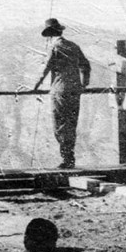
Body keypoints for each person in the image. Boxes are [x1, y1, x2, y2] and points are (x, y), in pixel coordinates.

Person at [32, 18, 90, 169]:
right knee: (71, 123)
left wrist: (35, 86)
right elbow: (86, 66)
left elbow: (46, 68)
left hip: (60, 90)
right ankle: (69, 157)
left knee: (60, 124)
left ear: (50, 34)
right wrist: (84, 84)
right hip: (74, 90)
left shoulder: (55, 47)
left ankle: (67, 159)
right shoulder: (74, 46)